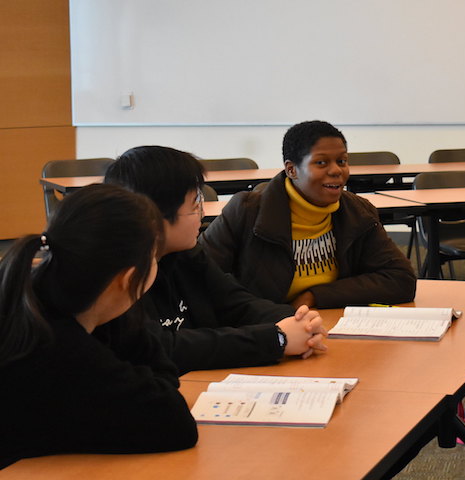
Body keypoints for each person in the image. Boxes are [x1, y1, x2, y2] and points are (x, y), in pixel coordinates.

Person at [0, 184, 198, 469]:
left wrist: (115, 308)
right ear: (128, 279)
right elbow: (173, 422)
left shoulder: (36, 296)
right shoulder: (63, 349)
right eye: (152, 260)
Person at [104, 146, 327, 375]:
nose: (202, 214)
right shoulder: (120, 277)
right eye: (194, 205)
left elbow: (237, 304)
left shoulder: (187, 254)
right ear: (155, 218)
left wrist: (299, 323)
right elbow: (165, 348)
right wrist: (276, 339)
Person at [199, 120, 417, 309]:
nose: (336, 171)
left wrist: (314, 296)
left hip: (327, 324)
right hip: (263, 329)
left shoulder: (358, 212)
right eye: (321, 162)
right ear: (292, 170)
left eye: (342, 161)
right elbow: (199, 276)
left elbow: (400, 279)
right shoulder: (247, 211)